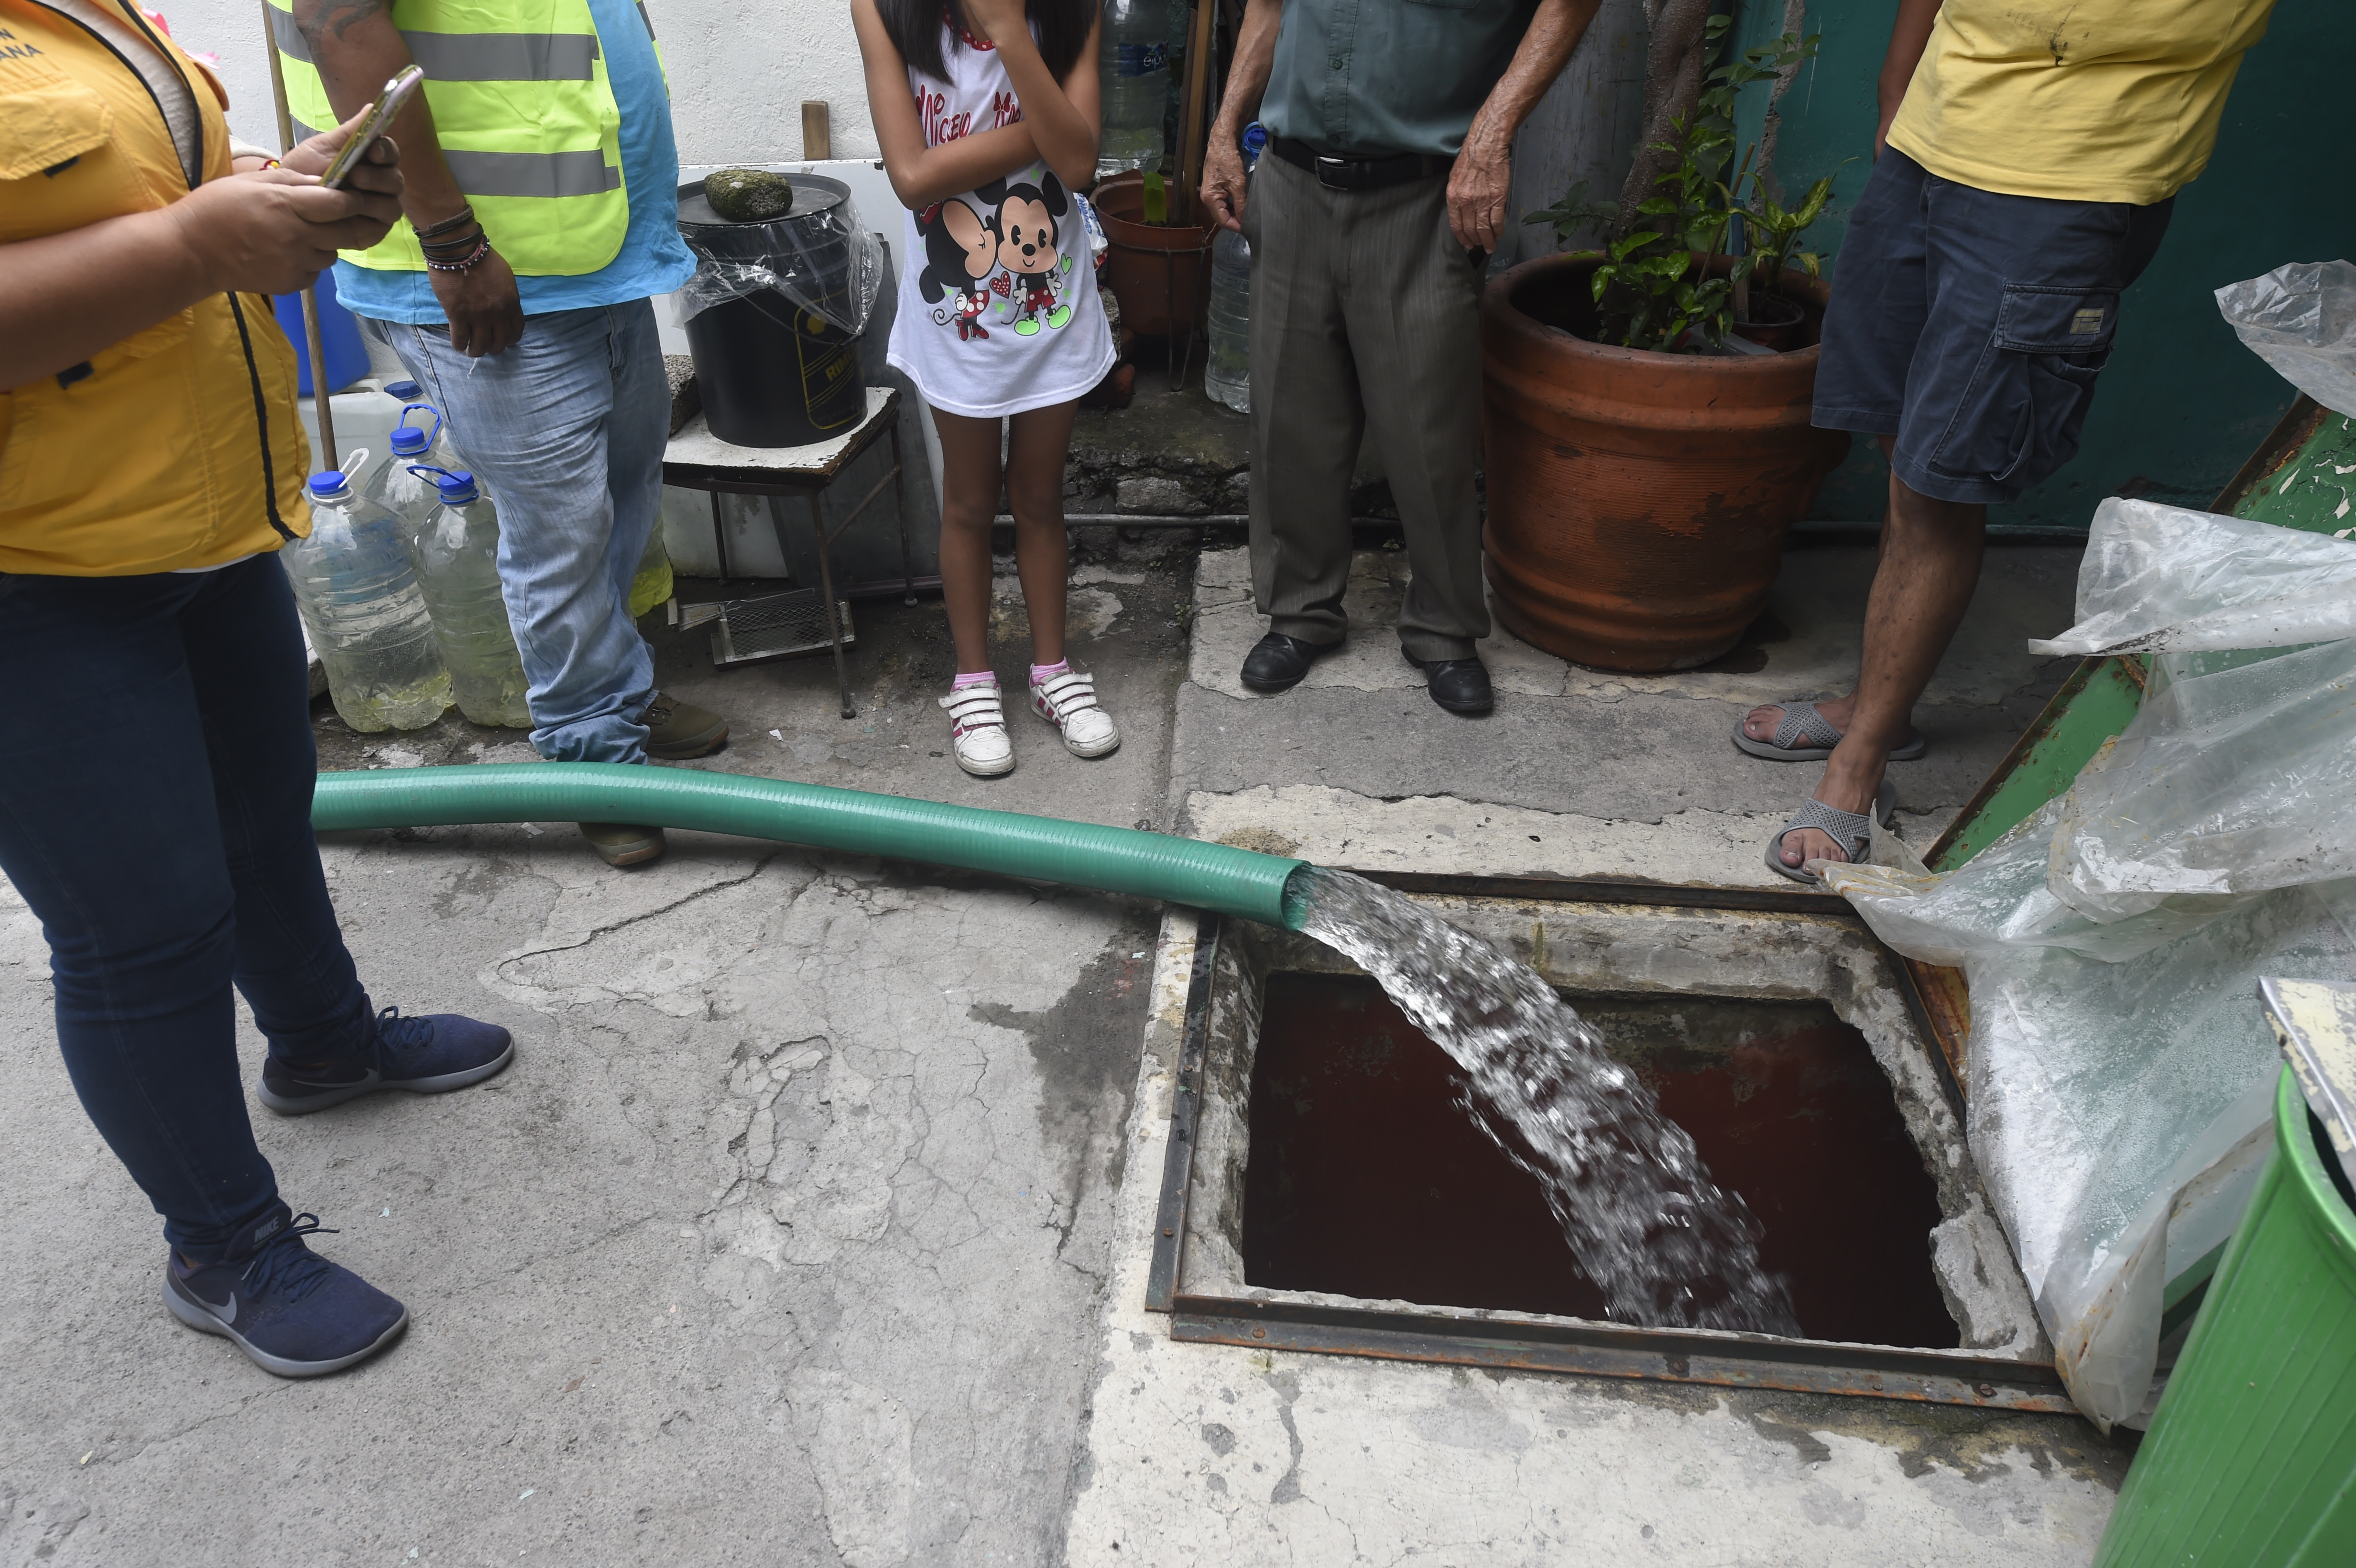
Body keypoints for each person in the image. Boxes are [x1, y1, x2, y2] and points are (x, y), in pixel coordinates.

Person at [1, 0, 516, 1377]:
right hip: (28, 573)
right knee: (142, 928)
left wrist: (255, 193)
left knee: (263, 823)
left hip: (200, 514)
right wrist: (190, 246)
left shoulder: (84, 12)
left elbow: (105, 201)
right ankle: (222, 1246)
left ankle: (325, 1044)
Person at [1746, 0, 2277, 881]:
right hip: (1930, 144)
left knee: (1940, 480)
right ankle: (1879, 703)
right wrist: (1896, 95)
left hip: (2071, 182)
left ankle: (1859, 765)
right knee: (1901, 440)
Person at [281, 0, 728, 868]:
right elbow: (346, 27)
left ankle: (615, 696)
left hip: (591, 251)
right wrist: (451, 239)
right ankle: (592, 753)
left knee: (618, 495)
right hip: (480, 261)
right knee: (557, 526)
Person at [1200, 0, 1601, 716]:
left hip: (1424, 194)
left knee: (1429, 432)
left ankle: (1445, 630)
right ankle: (1300, 614)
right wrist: (1225, 129)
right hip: (1290, 182)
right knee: (1289, 422)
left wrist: (1493, 133)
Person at [853, 0, 1123, 777]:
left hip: (1050, 311)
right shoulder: (885, 11)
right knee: (969, 501)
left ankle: (1051, 672)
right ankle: (973, 682)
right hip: (956, 316)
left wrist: (1010, 31)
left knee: (1040, 497)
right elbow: (911, 178)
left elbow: (1075, 170)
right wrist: (1047, 126)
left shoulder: (1071, 11)